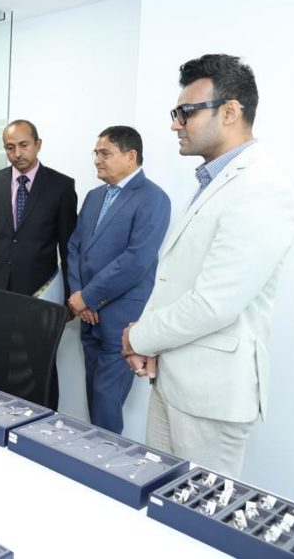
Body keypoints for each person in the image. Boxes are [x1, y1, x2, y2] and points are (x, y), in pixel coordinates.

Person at [123, 54, 294, 477]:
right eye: (175, 112)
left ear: (231, 111)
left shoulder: (261, 188)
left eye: (186, 112)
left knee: (203, 523)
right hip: (174, 377)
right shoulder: (213, 180)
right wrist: (152, 346)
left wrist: (139, 336)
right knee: (163, 508)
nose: (175, 123)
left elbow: (214, 303)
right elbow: (176, 281)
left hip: (212, 396)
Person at [66, 126, 170, 434]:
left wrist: (89, 297)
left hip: (122, 319)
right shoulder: (94, 196)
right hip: (88, 315)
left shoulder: (154, 199)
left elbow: (136, 260)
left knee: (106, 400)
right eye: (96, 153)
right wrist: (77, 295)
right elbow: (75, 247)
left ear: (130, 155)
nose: (97, 160)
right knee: (93, 396)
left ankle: (108, 468)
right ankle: (95, 459)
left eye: (105, 153)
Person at [0, 119, 77, 409]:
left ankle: (44, 420)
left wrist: (70, 297)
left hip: (38, 292)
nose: (17, 153)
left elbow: (69, 248)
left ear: (37, 144)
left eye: (23, 145)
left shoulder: (61, 186)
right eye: (9, 147)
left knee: (38, 362)